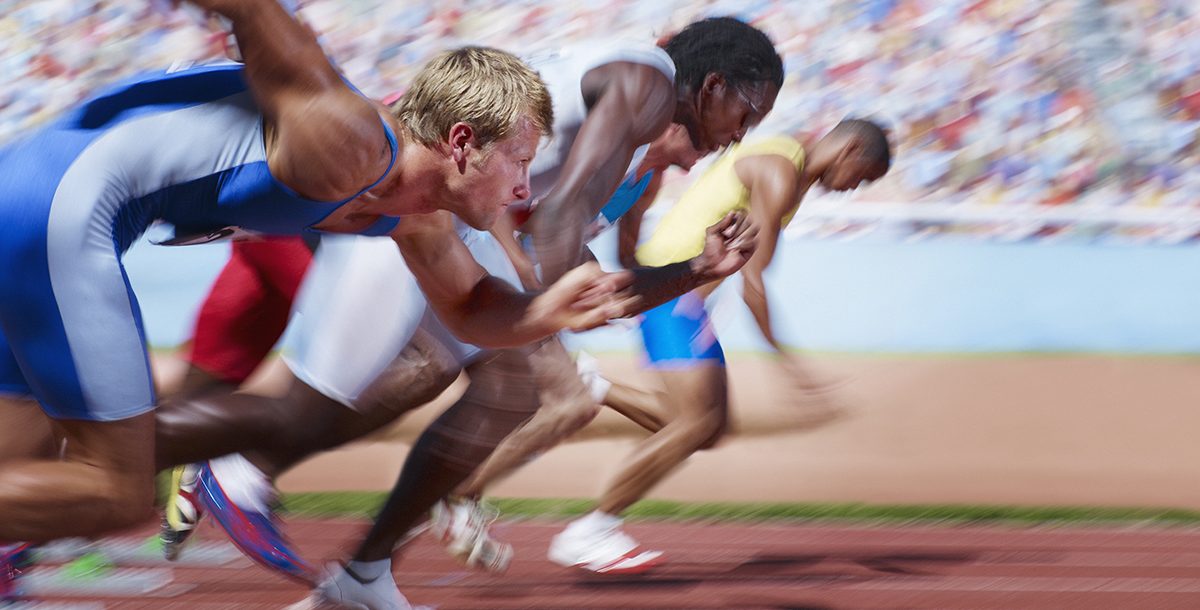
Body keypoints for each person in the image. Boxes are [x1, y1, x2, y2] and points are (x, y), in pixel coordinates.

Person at [0, 0, 631, 599]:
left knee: (20, 454)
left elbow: (471, 308)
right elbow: (264, 19)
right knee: (116, 488)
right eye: (519, 160)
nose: (525, 187)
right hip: (59, 208)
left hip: (31, 185)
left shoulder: (414, 217)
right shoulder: (353, 139)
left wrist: (548, 311)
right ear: (462, 142)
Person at [156, 16, 782, 609]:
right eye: (747, 114)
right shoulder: (648, 81)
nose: (740, 135)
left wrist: (695, 272)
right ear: (713, 86)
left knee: (499, 387)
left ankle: (360, 573)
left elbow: (567, 245)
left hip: (437, 211)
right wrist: (558, 309)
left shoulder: (632, 140)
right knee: (324, 397)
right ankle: (206, 460)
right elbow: (560, 224)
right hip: (411, 195)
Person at [463, 120, 890, 575]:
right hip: (674, 293)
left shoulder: (789, 166)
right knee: (696, 423)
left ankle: (597, 390)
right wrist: (791, 366)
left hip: (677, 291)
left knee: (707, 428)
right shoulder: (780, 170)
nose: (851, 190)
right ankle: (591, 531)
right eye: (861, 176)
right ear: (851, 150)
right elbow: (752, 279)